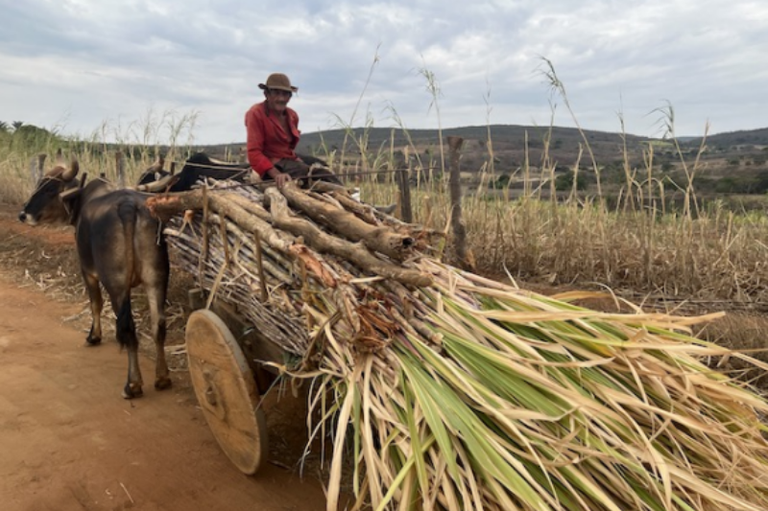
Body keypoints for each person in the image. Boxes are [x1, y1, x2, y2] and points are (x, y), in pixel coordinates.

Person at [244, 72, 342, 189]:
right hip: (271, 163)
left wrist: (297, 161)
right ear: (266, 94)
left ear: (290, 96)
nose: (281, 98)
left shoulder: (292, 116)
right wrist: (276, 174)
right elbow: (254, 153)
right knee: (320, 174)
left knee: (322, 165)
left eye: (285, 94)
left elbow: (288, 148)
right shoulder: (256, 113)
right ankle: (348, 194)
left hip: (287, 159)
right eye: (276, 93)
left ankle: (348, 193)